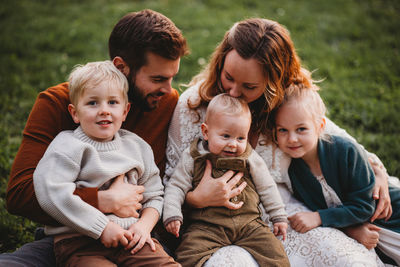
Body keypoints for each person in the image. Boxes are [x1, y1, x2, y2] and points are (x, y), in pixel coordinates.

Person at [165, 17, 396, 266]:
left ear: (273, 83)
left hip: (282, 217)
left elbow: (332, 137)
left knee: (344, 259)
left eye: (249, 86)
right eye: (228, 77)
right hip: (209, 225)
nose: (232, 92)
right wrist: (196, 199)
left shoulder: (284, 104)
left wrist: (376, 168)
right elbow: (170, 181)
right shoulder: (193, 107)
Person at [1, 9, 188, 266]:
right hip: (74, 234)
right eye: (158, 79)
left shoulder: (165, 103)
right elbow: (21, 195)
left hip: (137, 237)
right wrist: (103, 200)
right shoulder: (57, 103)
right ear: (121, 67)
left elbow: (161, 188)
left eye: (172, 78)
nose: (168, 89)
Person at [32, 60, 179, 266]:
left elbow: (154, 195)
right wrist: (102, 227)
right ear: (75, 113)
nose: (104, 110)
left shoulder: (136, 147)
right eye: (92, 103)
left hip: (133, 239)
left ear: (125, 111)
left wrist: (144, 226)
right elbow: (51, 193)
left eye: (112, 102)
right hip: (80, 242)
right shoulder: (67, 146)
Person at [273, 85, 400, 265]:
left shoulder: (345, 151)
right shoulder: (295, 171)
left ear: (320, 126)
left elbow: (364, 207)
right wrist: (352, 230)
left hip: (391, 219)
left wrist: (319, 217)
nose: (292, 138)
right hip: (375, 236)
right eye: (282, 130)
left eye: (301, 129)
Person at [163, 94, 289, 266]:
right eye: (226, 136)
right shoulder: (193, 156)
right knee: (187, 255)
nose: (233, 144)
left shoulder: (250, 157)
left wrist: (278, 216)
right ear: (206, 132)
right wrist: (172, 214)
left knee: (276, 255)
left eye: (240, 138)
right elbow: (176, 186)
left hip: (249, 224)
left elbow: (267, 186)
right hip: (206, 226)